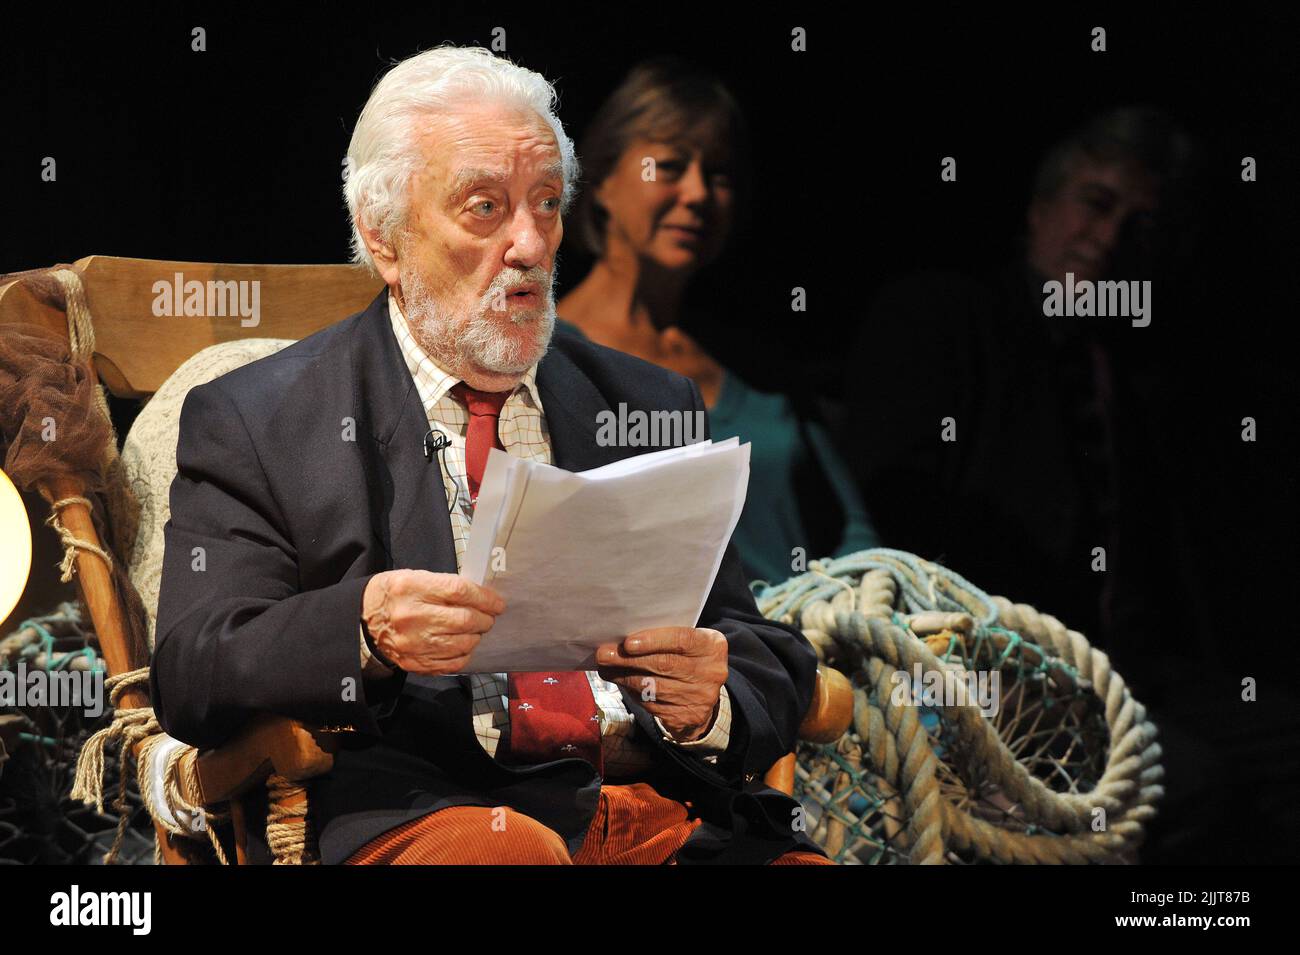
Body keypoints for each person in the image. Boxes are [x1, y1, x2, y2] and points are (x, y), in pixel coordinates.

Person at [150, 46, 830, 865]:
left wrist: (711, 700)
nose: (530, 244)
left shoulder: (647, 403)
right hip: (435, 815)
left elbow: (755, 648)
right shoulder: (260, 418)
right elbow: (194, 668)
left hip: (657, 808)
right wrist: (362, 627)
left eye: (546, 204)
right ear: (385, 236)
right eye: (485, 208)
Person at [557, 58, 877, 585]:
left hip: (809, 654)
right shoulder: (545, 357)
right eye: (671, 166)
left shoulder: (758, 366)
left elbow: (852, 531)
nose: (699, 194)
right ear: (603, 180)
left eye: (720, 174)